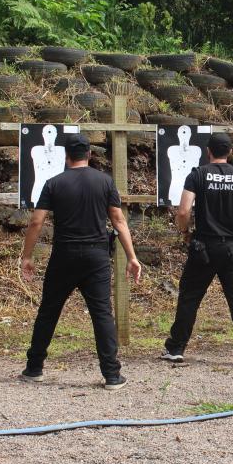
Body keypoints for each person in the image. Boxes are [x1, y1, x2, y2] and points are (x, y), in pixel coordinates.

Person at [20, 133, 141, 390]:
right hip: (96, 256)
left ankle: (34, 368)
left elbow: (36, 222)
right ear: (89, 154)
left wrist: (27, 256)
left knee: (49, 311)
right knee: (102, 314)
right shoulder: (105, 182)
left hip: (64, 254)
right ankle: (111, 375)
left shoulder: (54, 183)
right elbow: (118, 220)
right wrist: (131, 256)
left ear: (66, 156)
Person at [161, 133, 233, 366]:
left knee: (190, 297)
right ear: (230, 152)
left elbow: (183, 211)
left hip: (204, 247)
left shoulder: (197, 174)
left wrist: (185, 232)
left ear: (208, 151)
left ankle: (176, 348)